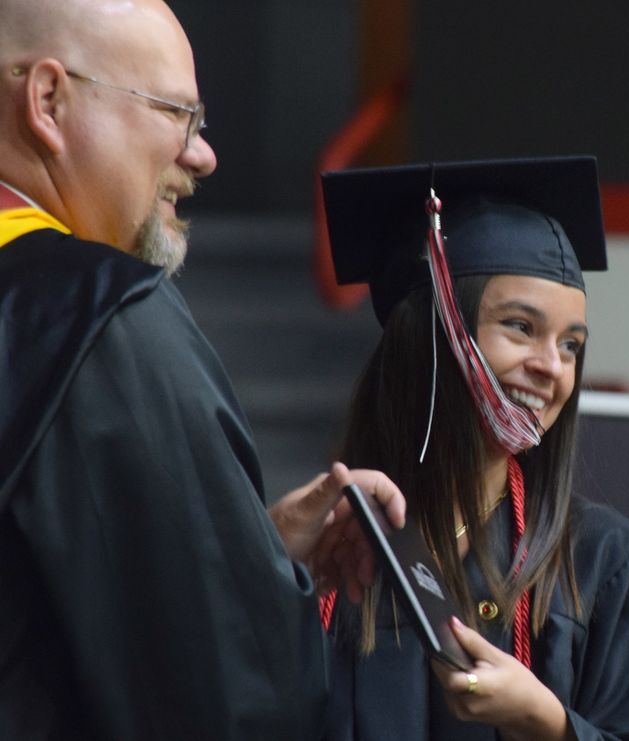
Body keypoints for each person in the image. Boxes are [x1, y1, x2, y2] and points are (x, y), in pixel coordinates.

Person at [0, 1, 401, 738]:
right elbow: (230, 689)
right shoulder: (98, 320)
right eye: (176, 114)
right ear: (48, 100)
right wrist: (249, 589)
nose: (202, 154)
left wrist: (240, 547)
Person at [319, 155, 629, 739]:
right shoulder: (329, 558)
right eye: (520, 327)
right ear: (433, 334)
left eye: (571, 345)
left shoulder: (618, 573)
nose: (551, 368)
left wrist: (551, 726)